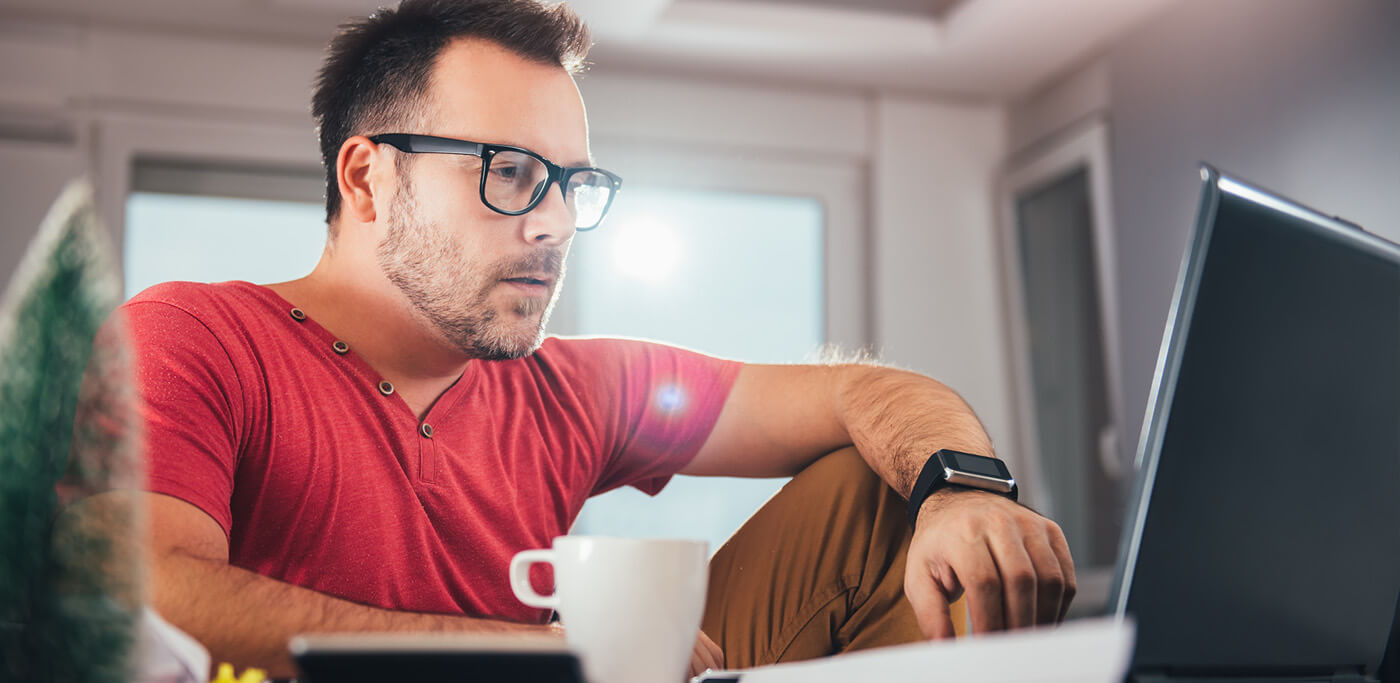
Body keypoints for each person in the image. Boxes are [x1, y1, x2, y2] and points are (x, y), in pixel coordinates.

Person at [71, 0, 1075, 677]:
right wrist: (560, 657)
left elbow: (870, 394)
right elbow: (144, 585)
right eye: (508, 170)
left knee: (879, 488)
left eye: (571, 184)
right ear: (368, 177)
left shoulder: (574, 388)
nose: (552, 222)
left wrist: (960, 486)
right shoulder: (192, 337)